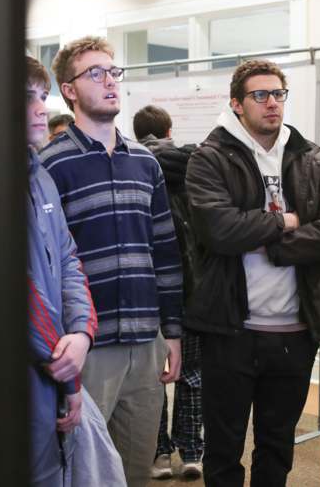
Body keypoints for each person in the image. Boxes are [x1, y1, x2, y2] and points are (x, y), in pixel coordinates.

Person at [185, 59, 320, 487]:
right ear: (237, 103)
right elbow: (218, 229)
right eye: (260, 95)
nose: (272, 103)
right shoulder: (210, 158)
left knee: (277, 447)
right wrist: (289, 222)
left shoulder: (310, 157)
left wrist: (267, 241)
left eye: (278, 94)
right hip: (231, 329)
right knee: (224, 448)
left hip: (295, 329)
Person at [39, 36, 183, 487]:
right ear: (69, 89)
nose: (109, 82)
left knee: (136, 470)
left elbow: (165, 251)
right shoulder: (51, 166)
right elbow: (49, 266)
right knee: (84, 469)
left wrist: (172, 333)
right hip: (88, 347)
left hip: (146, 341)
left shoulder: (146, 163)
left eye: (113, 71)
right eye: (94, 73)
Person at [133, 104, 204, 480]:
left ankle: (158, 454)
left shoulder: (133, 165)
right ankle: (192, 452)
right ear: (169, 130)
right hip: (191, 286)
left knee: (154, 375)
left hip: (150, 288)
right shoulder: (193, 165)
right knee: (192, 374)